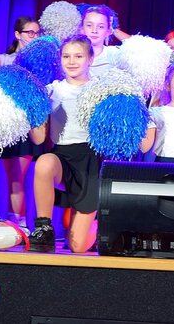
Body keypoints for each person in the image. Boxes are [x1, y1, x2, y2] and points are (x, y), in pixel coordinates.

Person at [26, 35, 105, 253]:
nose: (71, 61)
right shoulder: (51, 90)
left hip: (91, 162)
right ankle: (44, 228)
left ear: (90, 58)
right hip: (62, 158)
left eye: (78, 56)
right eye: (66, 56)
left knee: (77, 247)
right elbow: (38, 139)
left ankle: (102, 225)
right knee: (43, 163)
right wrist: (33, 111)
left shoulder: (102, 90)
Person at [0, 16, 43, 232]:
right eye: (30, 32)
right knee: (12, 177)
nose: (34, 36)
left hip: (29, 126)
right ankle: (15, 222)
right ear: (18, 34)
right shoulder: (6, 59)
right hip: (9, 125)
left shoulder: (41, 62)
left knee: (19, 177)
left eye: (37, 33)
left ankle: (22, 224)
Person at [80, 5, 130, 77]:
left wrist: (114, 30)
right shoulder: (71, 53)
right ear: (82, 29)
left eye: (101, 27)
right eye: (89, 25)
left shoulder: (114, 54)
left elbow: (142, 48)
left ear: (108, 31)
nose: (94, 31)